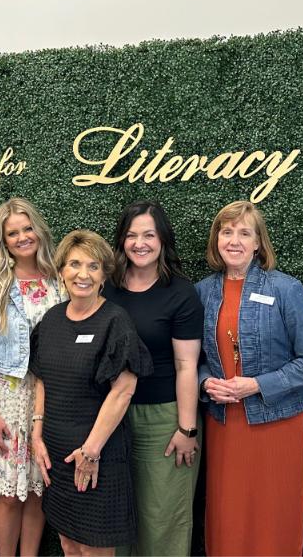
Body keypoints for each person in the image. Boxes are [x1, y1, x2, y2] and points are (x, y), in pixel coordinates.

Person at [195, 201, 303, 556]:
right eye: (226, 232)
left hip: (279, 422)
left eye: (244, 232)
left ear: (258, 243)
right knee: (228, 512)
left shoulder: (286, 289)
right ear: (216, 240)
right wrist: (206, 382)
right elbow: (193, 360)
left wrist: (257, 385)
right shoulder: (202, 292)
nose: (234, 240)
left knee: (275, 511)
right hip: (225, 422)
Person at [29, 230, 152, 556]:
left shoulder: (115, 321)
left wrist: (91, 451)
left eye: (93, 266)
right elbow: (42, 379)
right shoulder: (52, 319)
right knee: (68, 543)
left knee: (93, 547)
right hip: (56, 456)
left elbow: (123, 390)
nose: (83, 274)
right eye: (75, 264)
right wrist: (37, 433)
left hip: (98, 456)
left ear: (103, 276)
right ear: (61, 271)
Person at [0, 197, 63, 556]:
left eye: (27, 228)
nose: (22, 237)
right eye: (13, 233)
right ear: (3, 240)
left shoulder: (59, 277)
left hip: (48, 395)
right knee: (8, 492)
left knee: (38, 488)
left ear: (39, 229)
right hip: (5, 396)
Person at [104, 201, 204, 556]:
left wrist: (187, 429)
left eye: (148, 234)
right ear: (121, 241)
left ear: (162, 239)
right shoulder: (106, 288)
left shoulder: (180, 293)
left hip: (165, 419)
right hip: (112, 418)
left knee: (162, 517)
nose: (139, 243)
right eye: (131, 235)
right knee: (115, 517)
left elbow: (186, 366)